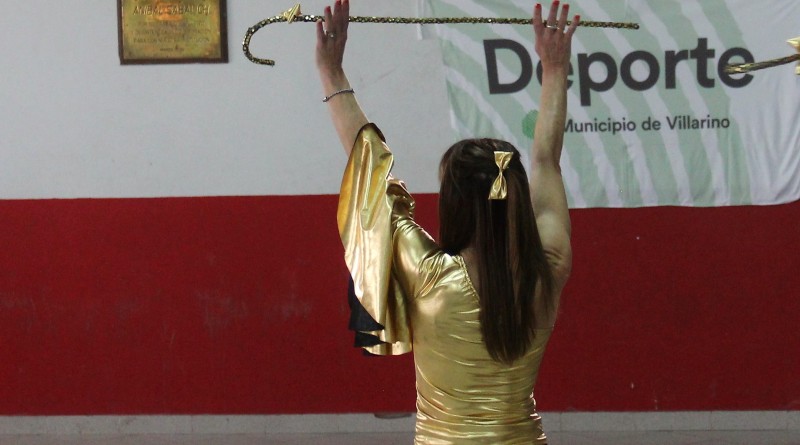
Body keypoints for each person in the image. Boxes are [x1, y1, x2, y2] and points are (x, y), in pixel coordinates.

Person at [317, 1, 576, 443]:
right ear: (515, 197)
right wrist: (554, 69)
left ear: (453, 204)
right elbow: (546, 160)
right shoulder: (547, 270)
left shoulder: (428, 274)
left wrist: (331, 72)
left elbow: (369, 168)